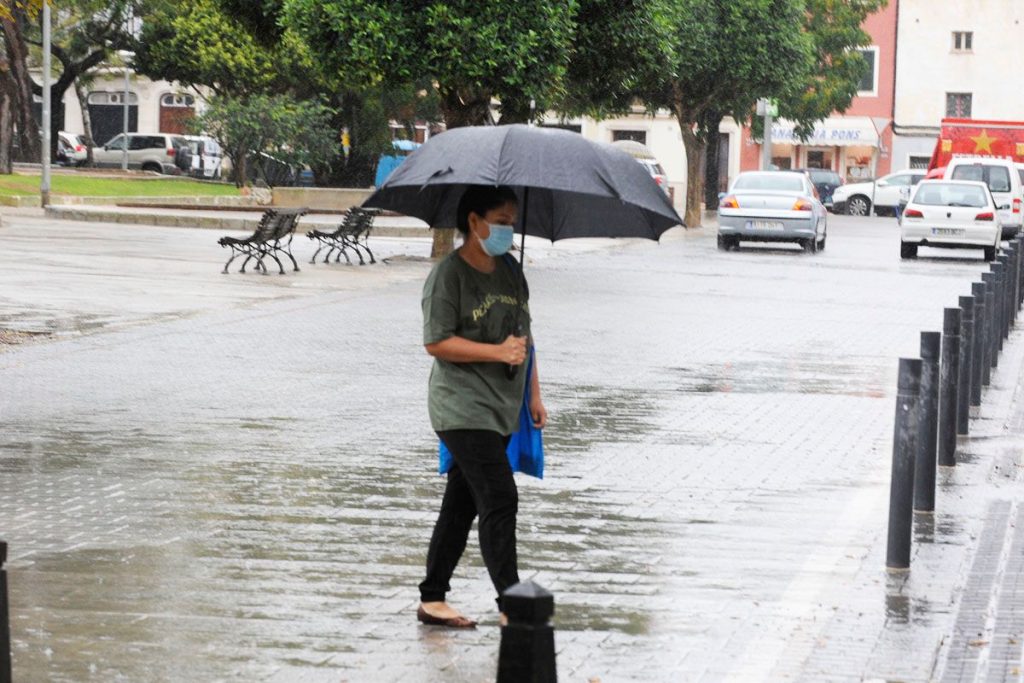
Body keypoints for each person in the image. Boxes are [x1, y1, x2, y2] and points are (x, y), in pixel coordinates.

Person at [417, 184, 547, 628]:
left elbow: (525, 339)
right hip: (459, 406)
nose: (509, 230)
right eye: (502, 221)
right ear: (474, 222)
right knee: (499, 495)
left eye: (513, 222)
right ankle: (513, 602)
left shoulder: (512, 270)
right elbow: (435, 341)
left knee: (461, 504)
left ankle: (432, 598)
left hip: (502, 408)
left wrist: (533, 394)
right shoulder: (447, 276)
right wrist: (496, 354)